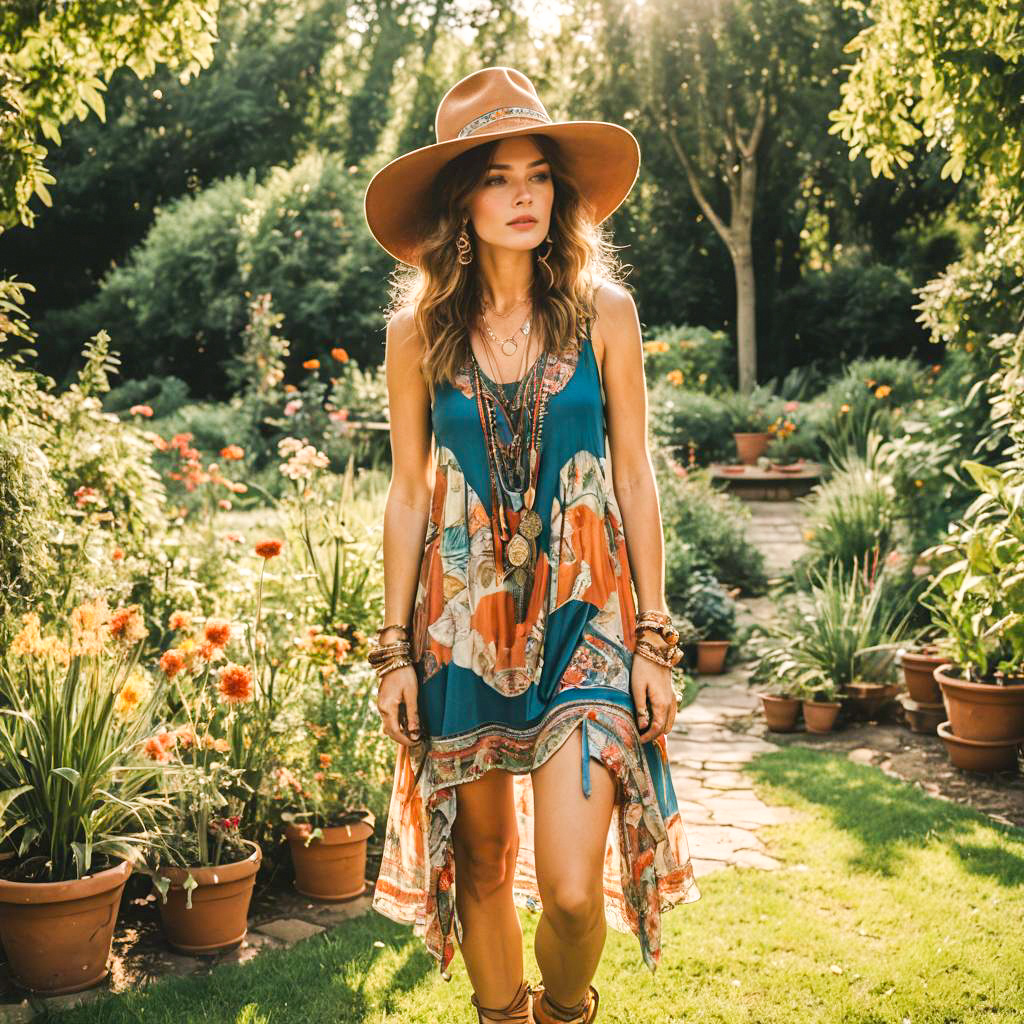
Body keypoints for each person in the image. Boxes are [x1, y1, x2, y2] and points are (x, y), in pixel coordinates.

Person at [362, 66, 702, 1024]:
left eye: (539, 175)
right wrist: (391, 650)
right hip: (462, 622)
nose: (523, 195)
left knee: (568, 888)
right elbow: (409, 490)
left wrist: (655, 636)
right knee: (484, 858)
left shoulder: (607, 313)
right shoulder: (417, 331)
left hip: (587, 615)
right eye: (497, 177)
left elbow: (635, 476)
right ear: (460, 203)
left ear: (560, 193)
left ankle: (565, 1011)